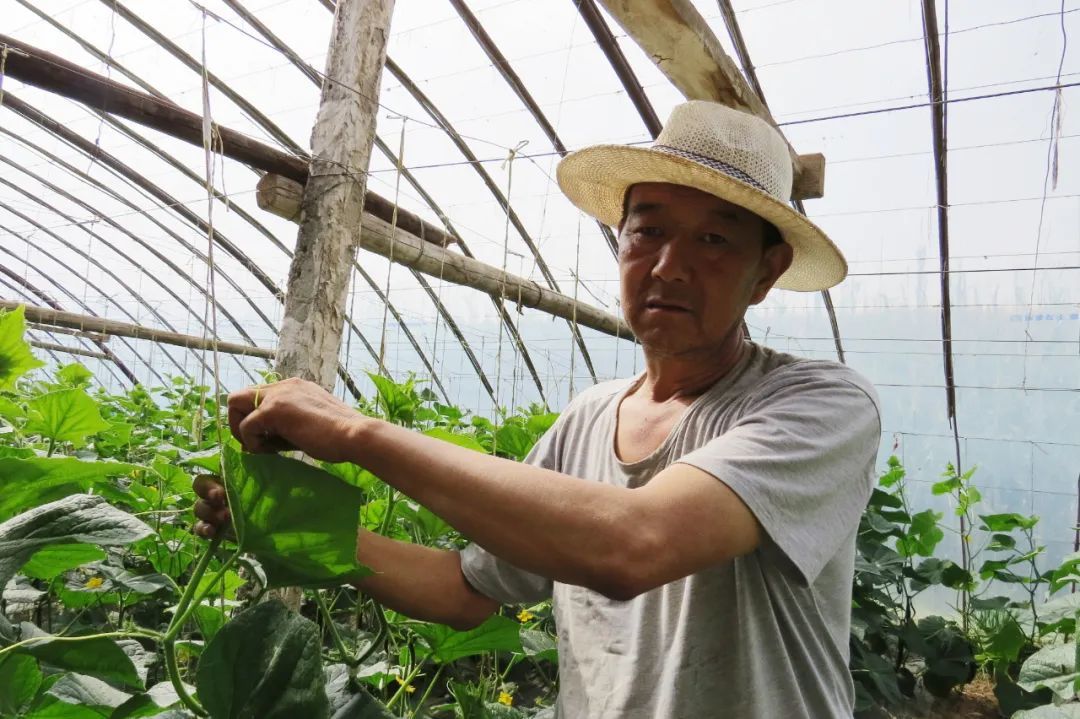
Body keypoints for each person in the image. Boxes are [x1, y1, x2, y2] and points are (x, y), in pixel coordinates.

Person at [194, 101, 881, 718]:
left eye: (714, 240)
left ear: (766, 272)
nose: (669, 266)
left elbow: (635, 544)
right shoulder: (588, 419)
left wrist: (353, 431)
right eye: (648, 231)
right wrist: (290, 530)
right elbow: (466, 591)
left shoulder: (820, 404)